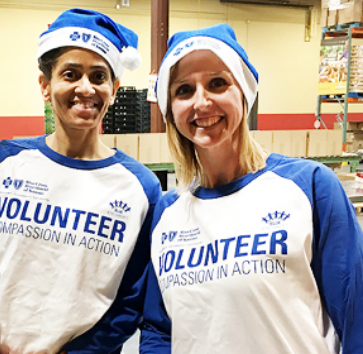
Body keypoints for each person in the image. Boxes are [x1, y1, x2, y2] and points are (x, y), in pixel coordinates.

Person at [0, 8, 162, 354]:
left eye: (98, 76)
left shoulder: (141, 188)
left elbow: (131, 299)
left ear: (115, 88)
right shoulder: (2, 163)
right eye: (70, 74)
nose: (85, 88)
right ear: (45, 85)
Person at [139, 23, 363, 353]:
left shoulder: (310, 187)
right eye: (184, 90)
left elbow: (356, 314)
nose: (201, 102)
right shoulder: (167, 212)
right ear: (170, 111)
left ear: (243, 93)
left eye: (217, 83)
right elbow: (159, 329)